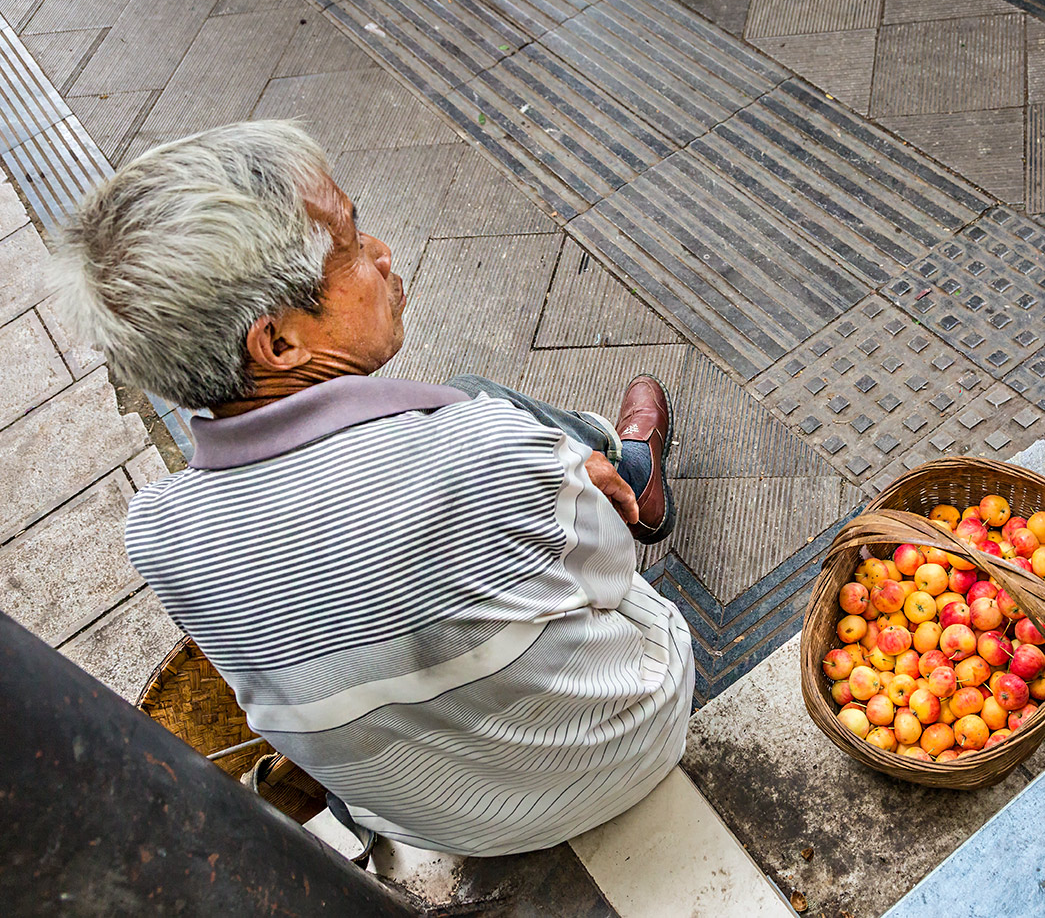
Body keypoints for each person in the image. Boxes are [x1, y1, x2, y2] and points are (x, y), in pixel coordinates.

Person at [47, 121, 694, 857]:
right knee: (493, 409)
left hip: (436, 825)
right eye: (350, 245)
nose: (382, 254)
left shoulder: (155, 534)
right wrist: (550, 479)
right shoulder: (480, 447)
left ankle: (606, 456)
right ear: (280, 343)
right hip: (628, 746)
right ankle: (627, 466)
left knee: (477, 406)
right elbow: (610, 573)